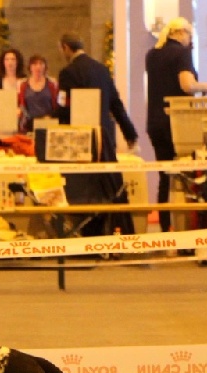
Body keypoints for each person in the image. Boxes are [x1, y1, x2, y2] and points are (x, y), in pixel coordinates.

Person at [56, 32, 139, 235]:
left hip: (81, 141)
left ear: (66, 47)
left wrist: (58, 130)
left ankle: (88, 232)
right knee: (110, 187)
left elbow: (63, 108)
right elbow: (116, 104)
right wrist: (130, 133)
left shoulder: (68, 72)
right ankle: (117, 230)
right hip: (105, 140)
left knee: (84, 192)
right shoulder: (102, 69)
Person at [145, 17, 207, 233]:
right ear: (183, 33)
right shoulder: (181, 53)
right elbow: (187, 85)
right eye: (190, 37)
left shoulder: (152, 54)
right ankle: (187, 227)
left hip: (155, 122)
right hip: (178, 124)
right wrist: (206, 86)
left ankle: (165, 227)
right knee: (186, 175)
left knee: (164, 176)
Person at [18, 54, 58, 133]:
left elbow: (57, 105)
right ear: (30, 67)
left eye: (41, 63)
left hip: (48, 122)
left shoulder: (52, 84)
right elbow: (21, 105)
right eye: (35, 64)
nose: (38, 66)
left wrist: (50, 116)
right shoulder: (23, 84)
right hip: (29, 124)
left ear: (45, 66)